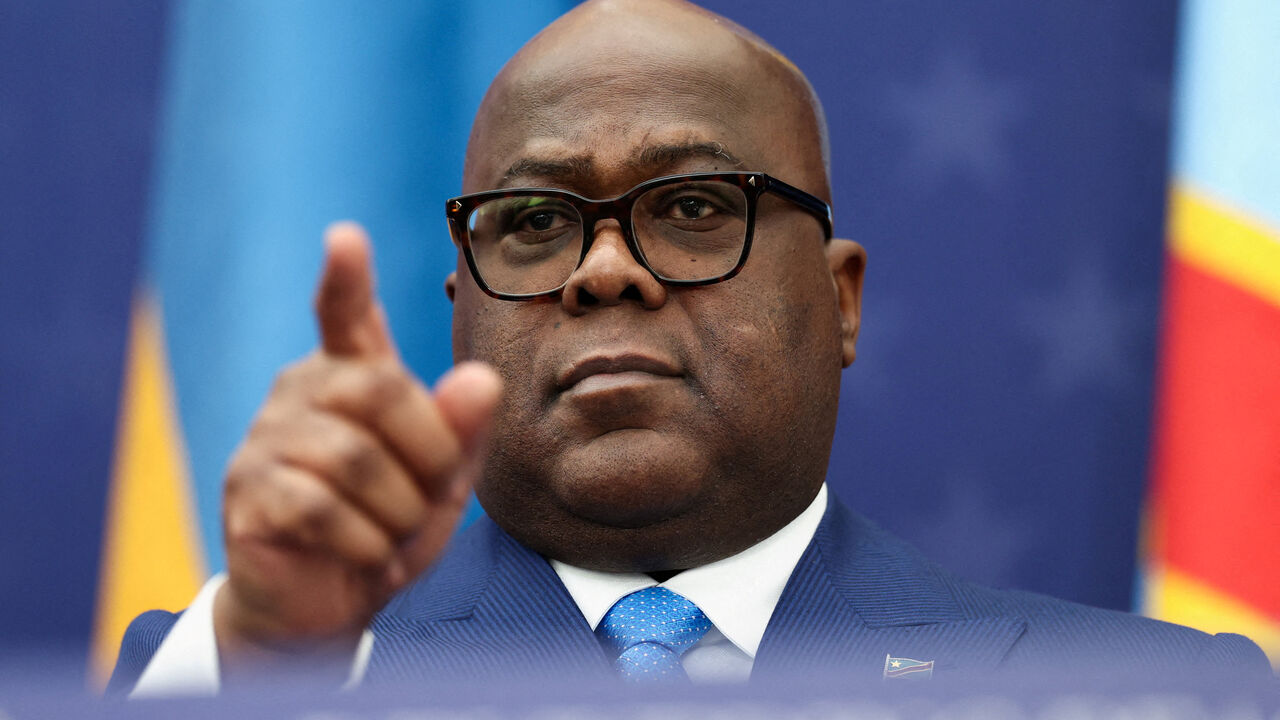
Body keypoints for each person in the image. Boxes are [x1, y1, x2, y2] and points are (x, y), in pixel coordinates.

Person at [109, 0, 1268, 696]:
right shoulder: (264, 675)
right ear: (460, 307)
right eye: (534, 223)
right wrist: (273, 667)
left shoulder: (1147, 698)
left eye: (694, 206)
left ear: (841, 299)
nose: (603, 268)